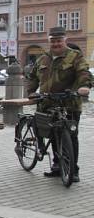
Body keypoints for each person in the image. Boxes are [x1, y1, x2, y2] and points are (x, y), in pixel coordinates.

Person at [26, 26, 91, 181]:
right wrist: (31, 92)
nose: (56, 44)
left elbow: (84, 72)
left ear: (65, 40)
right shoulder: (43, 58)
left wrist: (84, 86)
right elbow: (33, 77)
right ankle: (57, 166)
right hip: (47, 103)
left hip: (70, 103)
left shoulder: (75, 56)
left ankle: (73, 170)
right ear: (49, 41)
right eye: (53, 41)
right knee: (54, 136)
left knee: (71, 137)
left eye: (59, 41)